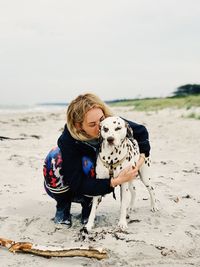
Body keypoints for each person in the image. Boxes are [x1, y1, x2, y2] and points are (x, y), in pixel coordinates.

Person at [43, 93, 150, 227]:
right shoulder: (68, 140)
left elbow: (141, 132)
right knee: (54, 157)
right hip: (74, 187)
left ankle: (88, 207)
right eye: (92, 124)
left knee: (95, 162)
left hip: (101, 181)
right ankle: (63, 206)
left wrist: (140, 160)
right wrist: (116, 181)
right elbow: (77, 183)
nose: (101, 127)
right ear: (78, 126)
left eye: (101, 119)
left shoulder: (109, 123)